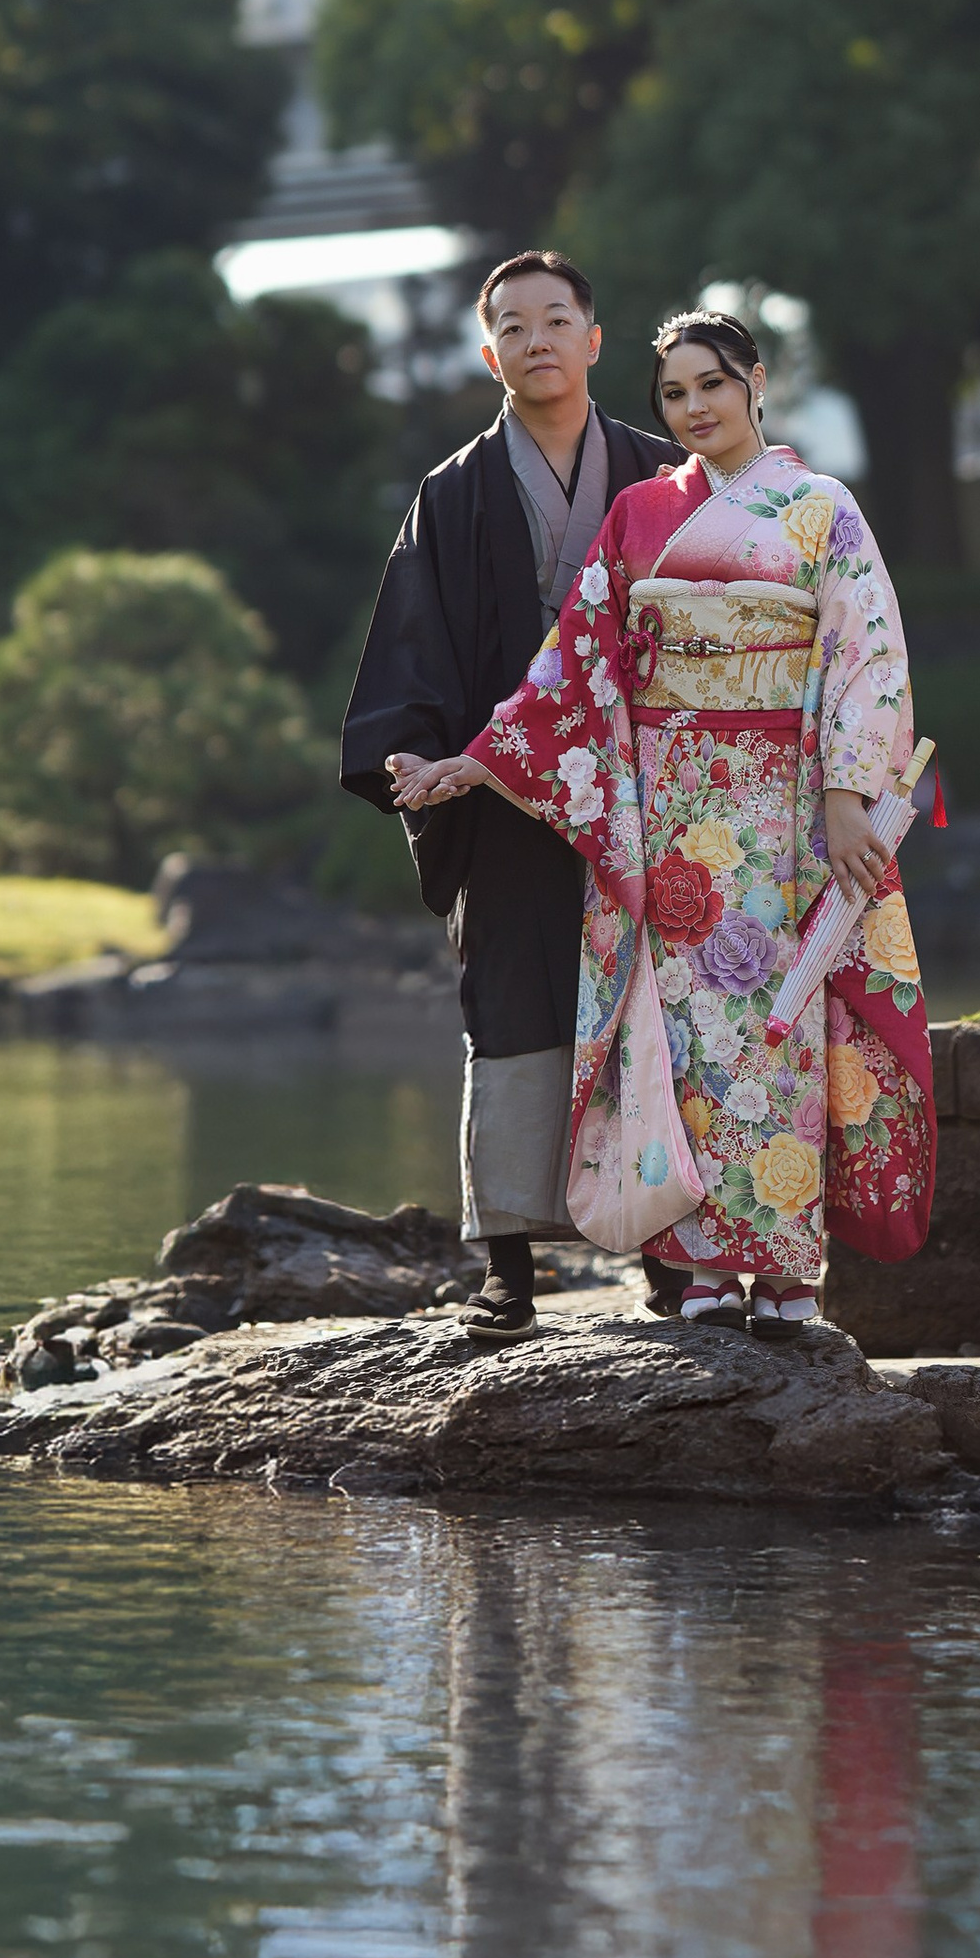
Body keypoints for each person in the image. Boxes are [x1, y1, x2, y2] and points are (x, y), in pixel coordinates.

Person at [392, 307, 935, 1323]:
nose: (693, 409)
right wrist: (474, 761)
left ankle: (786, 1272)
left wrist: (848, 800)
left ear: (755, 383)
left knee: (781, 1028)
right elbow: (575, 663)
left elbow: (868, 657)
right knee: (681, 1031)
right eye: (674, 394)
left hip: (783, 803)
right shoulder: (639, 513)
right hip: (671, 809)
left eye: (711, 386)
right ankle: (698, 1267)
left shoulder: (822, 510)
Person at [341, 251, 671, 1332]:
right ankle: (509, 1262)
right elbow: (414, 637)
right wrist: (410, 752)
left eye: (556, 319)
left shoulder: (666, 478)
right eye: (514, 326)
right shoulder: (455, 491)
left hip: (637, 792)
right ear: (489, 354)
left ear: (594, 338)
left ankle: (664, 1246)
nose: (537, 340)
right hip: (503, 795)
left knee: (649, 1011)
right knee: (514, 1005)